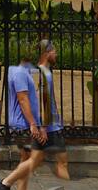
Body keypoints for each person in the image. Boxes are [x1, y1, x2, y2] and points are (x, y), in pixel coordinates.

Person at [0, 47, 44, 190]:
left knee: (25, 159)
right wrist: (33, 124)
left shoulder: (22, 73)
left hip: (24, 123)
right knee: (36, 158)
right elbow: (23, 99)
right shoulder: (20, 74)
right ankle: (5, 183)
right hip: (23, 124)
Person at [33, 40, 70, 181]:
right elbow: (43, 100)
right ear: (47, 53)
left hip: (47, 125)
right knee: (62, 163)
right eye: (54, 52)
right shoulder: (44, 73)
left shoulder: (41, 71)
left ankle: (6, 182)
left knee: (31, 162)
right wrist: (43, 126)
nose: (56, 54)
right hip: (51, 127)